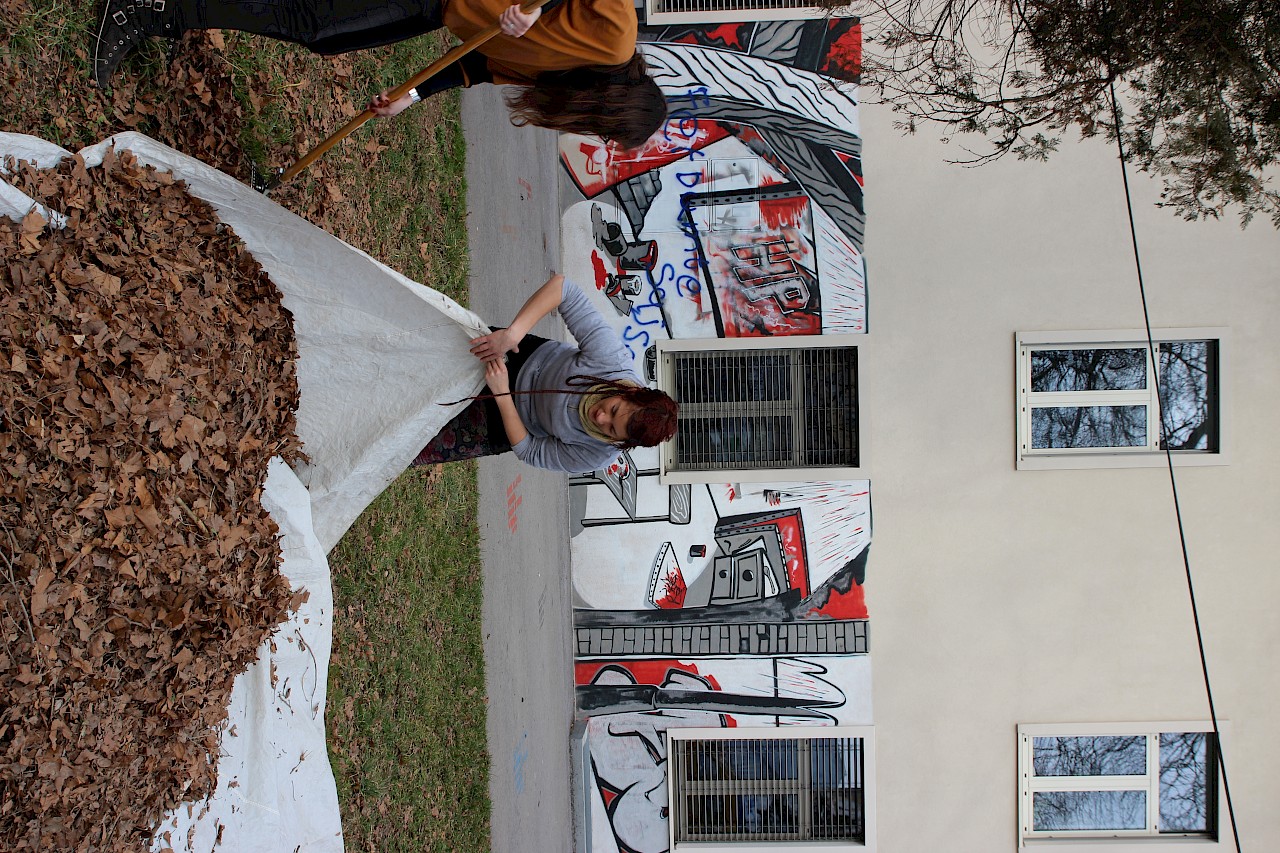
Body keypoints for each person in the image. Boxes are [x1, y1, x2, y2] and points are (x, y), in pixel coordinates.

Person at [92, 0, 669, 149]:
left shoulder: (563, 82)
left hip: (438, 10)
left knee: (326, 36)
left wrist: (411, 94)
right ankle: (152, 9)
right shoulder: (614, 36)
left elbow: (475, 66)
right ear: (619, 109)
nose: (596, 135)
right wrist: (537, 6)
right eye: (609, 132)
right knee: (310, 17)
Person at [415, 273, 678, 473]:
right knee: (421, 350)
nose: (600, 417)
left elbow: (530, 451)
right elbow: (564, 289)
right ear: (631, 391)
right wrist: (513, 334)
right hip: (518, 358)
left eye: (611, 430)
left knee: (416, 442)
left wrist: (503, 396)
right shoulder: (612, 361)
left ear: (623, 442)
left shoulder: (597, 456)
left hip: (504, 423)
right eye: (613, 409)